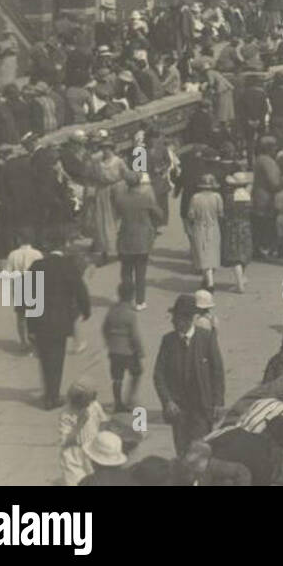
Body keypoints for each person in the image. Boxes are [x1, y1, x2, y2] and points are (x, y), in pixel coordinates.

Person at [153, 293, 225, 455]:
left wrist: (218, 401)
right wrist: (168, 401)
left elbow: (217, 371)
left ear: (188, 319)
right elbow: (158, 374)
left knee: (200, 451)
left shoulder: (206, 338)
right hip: (179, 410)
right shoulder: (168, 341)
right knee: (182, 451)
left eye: (176, 318)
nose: (172, 321)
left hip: (202, 407)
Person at [28, 244, 91, 409]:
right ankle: (53, 396)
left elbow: (28, 295)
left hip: (39, 319)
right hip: (61, 320)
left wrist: (29, 325)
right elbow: (80, 290)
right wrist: (86, 310)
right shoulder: (68, 266)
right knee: (57, 358)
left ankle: (48, 392)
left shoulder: (37, 266)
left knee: (45, 358)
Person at [115, 169, 162, 310]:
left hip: (125, 237)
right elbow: (159, 214)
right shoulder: (145, 198)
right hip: (142, 238)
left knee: (126, 271)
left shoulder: (120, 199)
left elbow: (117, 214)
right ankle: (140, 301)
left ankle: (126, 299)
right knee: (141, 272)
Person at [102, 281, 144, 412]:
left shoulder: (112, 310)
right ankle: (130, 399)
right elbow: (134, 335)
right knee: (137, 373)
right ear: (132, 296)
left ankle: (118, 402)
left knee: (117, 378)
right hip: (128, 351)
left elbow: (105, 328)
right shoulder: (130, 314)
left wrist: (109, 341)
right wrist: (140, 350)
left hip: (114, 350)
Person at [59, 382, 108, 486]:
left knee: (95, 480)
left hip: (93, 449)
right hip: (74, 453)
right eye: (82, 404)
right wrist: (79, 423)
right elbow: (66, 441)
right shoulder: (66, 413)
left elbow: (103, 421)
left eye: (88, 402)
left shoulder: (94, 405)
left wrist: (102, 437)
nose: (87, 406)